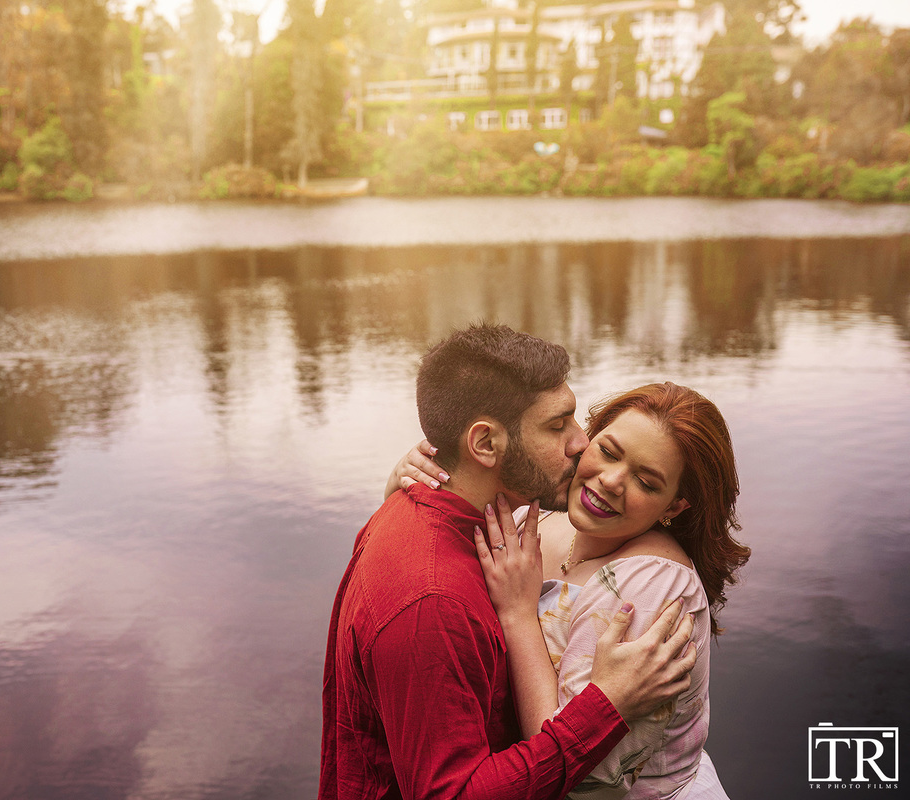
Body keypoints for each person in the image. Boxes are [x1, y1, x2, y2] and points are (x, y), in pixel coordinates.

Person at [320, 324, 699, 800]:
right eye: (557, 425)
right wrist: (608, 706)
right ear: (484, 445)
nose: (580, 442)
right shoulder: (431, 600)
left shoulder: (440, 518)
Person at [388, 382, 751, 799]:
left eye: (647, 482)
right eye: (609, 452)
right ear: (587, 439)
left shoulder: (651, 588)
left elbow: (572, 767)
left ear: (673, 507)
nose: (612, 481)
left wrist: (519, 614)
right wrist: (405, 478)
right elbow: (441, 535)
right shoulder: (536, 518)